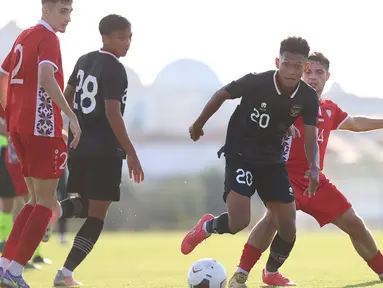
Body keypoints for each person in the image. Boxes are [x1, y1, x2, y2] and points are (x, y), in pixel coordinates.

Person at [228, 52, 383, 287]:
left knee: (354, 223)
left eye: (319, 72)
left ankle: (381, 270)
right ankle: (240, 274)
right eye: (308, 71)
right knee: (271, 219)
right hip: (283, 176)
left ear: (327, 77)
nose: (313, 77)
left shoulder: (328, 109)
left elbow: (355, 123)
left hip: (314, 181)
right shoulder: (286, 101)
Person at [181, 37, 320, 274]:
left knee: (288, 228)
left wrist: (314, 166)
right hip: (240, 153)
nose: (291, 71)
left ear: (305, 68)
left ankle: (270, 273)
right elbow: (222, 94)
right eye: (286, 64)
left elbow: (310, 138)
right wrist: (199, 123)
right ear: (278, 62)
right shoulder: (257, 81)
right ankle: (207, 226)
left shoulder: (307, 97)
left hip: (272, 161)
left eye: (298, 67)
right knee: (239, 222)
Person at [53, 14, 144, 287]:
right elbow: (113, 113)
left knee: (85, 205)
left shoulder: (84, 60)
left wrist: (68, 127)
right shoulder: (115, 69)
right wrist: (131, 152)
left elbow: (65, 96)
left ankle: (52, 212)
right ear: (104, 37)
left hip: (78, 147)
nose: (127, 43)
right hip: (104, 150)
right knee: (97, 215)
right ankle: (65, 273)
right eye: (121, 37)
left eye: (129, 37)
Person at [0, 0, 81, 286]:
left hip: (20, 128)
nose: (68, 18)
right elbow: (47, 78)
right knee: (46, 203)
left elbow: (3, 74)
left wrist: (7, 113)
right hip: (41, 128)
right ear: (45, 10)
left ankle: (5, 264)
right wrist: (70, 116)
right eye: (63, 11)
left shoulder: (25, 35)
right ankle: (15, 272)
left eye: (70, 11)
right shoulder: (47, 38)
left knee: (34, 200)